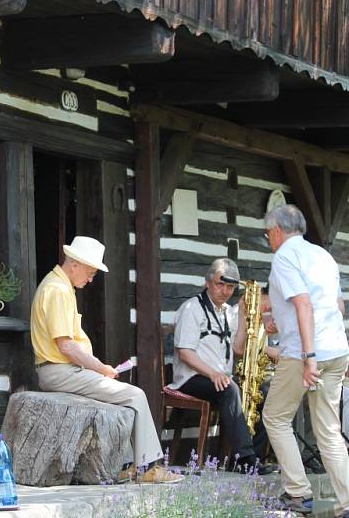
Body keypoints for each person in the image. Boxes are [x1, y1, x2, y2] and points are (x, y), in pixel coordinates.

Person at [30, 235, 183, 484]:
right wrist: (101, 368)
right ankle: (147, 467)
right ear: (75, 263)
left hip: (63, 370)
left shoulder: (59, 286)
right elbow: (66, 346)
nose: (90, 279)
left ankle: (125, 465)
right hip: (60, 370)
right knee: (135, 395)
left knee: (121, 400)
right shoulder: (57, 290)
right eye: (89, 273)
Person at [262, 204, 349, 517]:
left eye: (267, 234)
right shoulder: (323, 256)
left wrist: (310, 356)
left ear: (276, 231)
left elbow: (303, 304)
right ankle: (346, 504)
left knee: (275, 416)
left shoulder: (285, 256)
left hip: (305, 352)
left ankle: (298, 493)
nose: (268, 239)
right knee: (329, 430)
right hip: (337, 349)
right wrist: (279, 319)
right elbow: (336, 306)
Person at [168, 257, 277, 473]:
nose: (225, 290)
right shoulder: (192, 308)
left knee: (266, 393)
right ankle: (245, 459)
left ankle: (251, 459)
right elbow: (185, 352)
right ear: (208, 282)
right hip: (192, 378)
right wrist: (213, 373)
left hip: (219, 378)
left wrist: (244, 315)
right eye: (220, 284)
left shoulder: (228, 311)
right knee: (229, 389)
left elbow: (237, 349)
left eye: (230, 286)